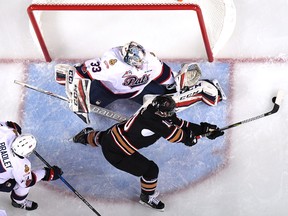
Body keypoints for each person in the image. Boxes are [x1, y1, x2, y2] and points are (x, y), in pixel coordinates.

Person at [72, 95, 224, 211]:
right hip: (117, 154)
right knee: (151, 170)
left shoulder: (154, 110)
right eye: (169, 111)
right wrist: (193, 137)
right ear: (160, 112)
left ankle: (84, 137)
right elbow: (181, 137)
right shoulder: (157, 123)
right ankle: (147, 197)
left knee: (103, 138)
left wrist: (203, 129)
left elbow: (179, 124)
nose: (171, 113)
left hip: (113, 134)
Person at [55, 41, 225, 109]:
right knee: (92, 105)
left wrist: (176, 86)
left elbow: (165, 76)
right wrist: (72, 86)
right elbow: (78, 72)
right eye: (136, 63)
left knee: (166, 107)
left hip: (138, 91)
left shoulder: (149, 60)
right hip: (106, 90)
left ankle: (202, 89)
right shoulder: (110, 63)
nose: (141, 65)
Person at [0, 121, 63, 211]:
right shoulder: (21, 165)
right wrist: (48, 173)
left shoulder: (6, 132)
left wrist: (11, 126)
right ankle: (18, 202)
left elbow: (5, 125)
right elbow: (28, 182)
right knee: (21, 185)